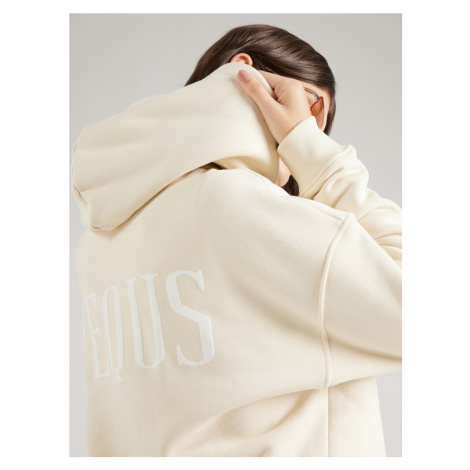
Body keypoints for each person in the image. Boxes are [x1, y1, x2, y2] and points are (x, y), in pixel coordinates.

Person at [72, 24, 401, 457]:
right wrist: (324, 165)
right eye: (310, 106)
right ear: (244, 72)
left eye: (319, 129)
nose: (311, 133)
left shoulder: (99, 242)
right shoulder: (243, 207)